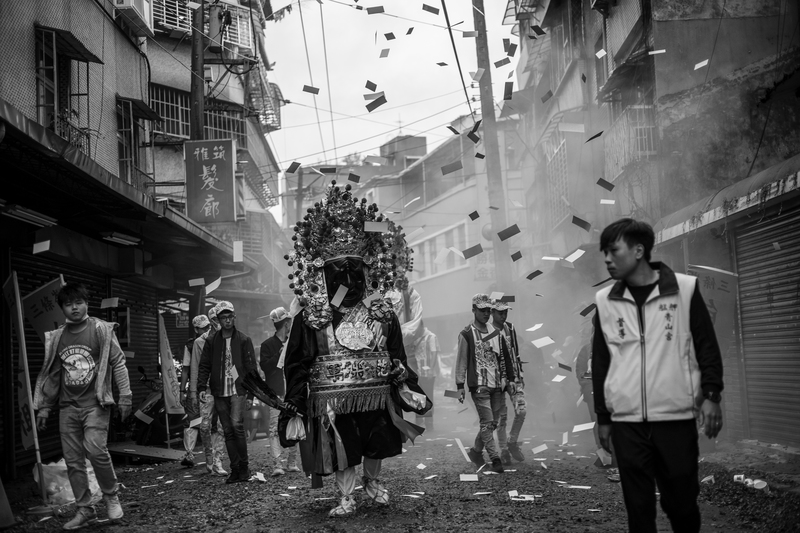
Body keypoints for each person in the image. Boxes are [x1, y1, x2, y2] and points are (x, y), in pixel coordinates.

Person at [280, 182, 432, 517]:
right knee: (340, 444)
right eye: (339, 270)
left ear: (367, 269)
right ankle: (346, 495)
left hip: (374, 393)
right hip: (332, 397)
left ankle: (373, 483)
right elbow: (297, 362)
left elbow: (397, 355)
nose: (347, 276)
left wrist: (400, 373)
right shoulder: (312, 317)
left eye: (355, 267)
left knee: (377, 439)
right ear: (323, 273)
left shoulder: (381, 311)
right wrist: (294, 398)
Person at [592, 218, 724, 533]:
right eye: (604, 253)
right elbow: (601, 362)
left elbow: (706, 345)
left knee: (681, 504)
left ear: (639, 250)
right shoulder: (604, 302)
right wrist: (603, 417)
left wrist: (711, 394)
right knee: (638, 510)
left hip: (675, 418)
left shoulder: (684, 289)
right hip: (627, 422)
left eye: (613, 251)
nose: (607, 260)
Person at [33, 282, 132, 529]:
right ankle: (84, 508)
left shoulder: (100, 330)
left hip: (96, 404)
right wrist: (44, 406)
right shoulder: (58, 337)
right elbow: (53, 375)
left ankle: (111, 497)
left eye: (78, 302)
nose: (74, 308)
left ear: (86, 303)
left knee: (96, 450)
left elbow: (118, 363)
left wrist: (126, 396)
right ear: (62, 309)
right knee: (73, 460)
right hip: (68, 408)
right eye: (68, 304)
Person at [197, 301, 258, 484]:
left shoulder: (244, 340)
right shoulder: (211, 341)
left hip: (238, 390)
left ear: (234, 317)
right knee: (228, 431)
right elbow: (204, 365)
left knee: (237, 427)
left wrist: (251, 395)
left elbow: (251, 368)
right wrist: (201, 387)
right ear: (218, 320)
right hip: (219, 391)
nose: (227, 320)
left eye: (229, 316)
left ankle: (244, 469)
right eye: (223, 317)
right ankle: (235, 469)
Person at [456, 294, 517, 474]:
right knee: (487, 422)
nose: (485, 314)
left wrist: (511, 380)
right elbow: (461, 361)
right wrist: (460, 386)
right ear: (474, 310)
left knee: (492, 423)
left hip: (496, 384)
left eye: (488, 310)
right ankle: (495, 458)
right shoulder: (466, 334)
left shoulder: (495, 333)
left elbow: (505, 357)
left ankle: (475, 452)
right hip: (479, 386)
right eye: (482, 310)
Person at [260, 306, 300, 476]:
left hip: (293, 391)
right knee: (274, 428)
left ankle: (292, 462)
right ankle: (278, 464)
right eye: (289, 322)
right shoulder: (267, 345)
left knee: (295, 425)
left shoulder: (294, 343)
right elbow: (266, 367)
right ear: (286, 324)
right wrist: (280, 353)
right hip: (275, 392)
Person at [187, 306, 227, 476]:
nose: (217, 323)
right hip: (207, 389)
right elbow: (195, 368)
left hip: (224, 387)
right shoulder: (200, 342)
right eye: (215, 320)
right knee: (204, 426)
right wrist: (194, 393)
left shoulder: (227, 338)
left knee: (221, 426)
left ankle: (218, 461)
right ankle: (209, 458)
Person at [490, 298, 526, 464]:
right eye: (500, 312)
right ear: (492, 312)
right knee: (501, 417)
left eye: (505, 312)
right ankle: (504, 450)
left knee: (521, 410)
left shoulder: (510, 328)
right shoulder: (487, 331)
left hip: (513, 376)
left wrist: (520, 373)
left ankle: (512, 442)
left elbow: (515, 351)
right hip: (496, 379)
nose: (503, 315)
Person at [180, 314, 211, 468]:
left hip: (211, 386)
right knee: (192, 420)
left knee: (211, 422)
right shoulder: (191, 345)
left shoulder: (216, 340)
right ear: (196, 329)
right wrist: (183, 390)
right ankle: (189, 453)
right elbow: (186, 369)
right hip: (195, 386)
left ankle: (212, 457)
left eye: (207, 326)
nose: (206, 330)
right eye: (203, 328)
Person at [408, 325, 439, 432]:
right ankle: (419, 422)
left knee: (428, 397)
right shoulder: (416, 339)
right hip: (418, 373)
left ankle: (429, 424)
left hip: (427, 374)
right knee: (417, 396)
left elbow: (434, 353)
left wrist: (431, 369)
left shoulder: (431, 337)